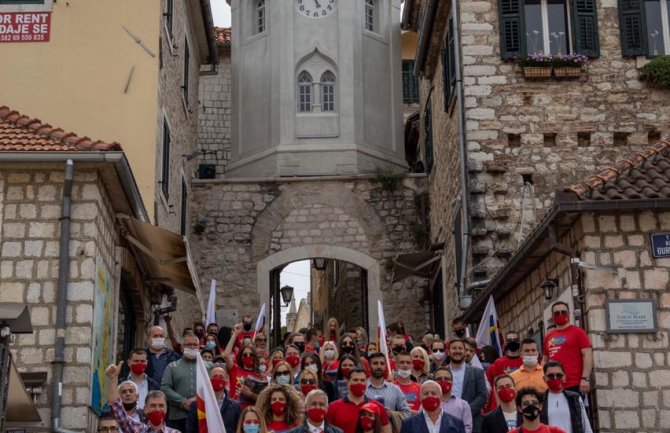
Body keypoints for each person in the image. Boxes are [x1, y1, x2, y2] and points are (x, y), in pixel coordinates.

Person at [106, 361, 180, 433]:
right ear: (145, 409)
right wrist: (113, 378)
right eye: (153, 406)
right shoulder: (137, 429)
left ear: (166, 409)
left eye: (161, 406)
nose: (157, 409)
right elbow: (116, 406)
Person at [542, 302, 593, 395]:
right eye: (557, 313)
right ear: (552, 316)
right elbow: (544, 360)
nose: (560, 315)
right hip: (553, 385)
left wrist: (585, 378)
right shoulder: (548, 337)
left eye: (563, 312)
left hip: (575, 385)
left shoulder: (578, 332)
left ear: (569, 314)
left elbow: (588, 355)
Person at [161, 332, 205, 431]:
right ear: (182, 347)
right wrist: (182, 401)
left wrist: (196, 399)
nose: (192, 347)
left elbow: (212, 388)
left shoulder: (207, 366)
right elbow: (165, 388)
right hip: (177, 416)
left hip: (201, 415)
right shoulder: (172, 366)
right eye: (189, 345)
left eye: (195, 345)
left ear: (199, 347)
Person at [326, 367, 391, 433]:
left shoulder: (378, 407)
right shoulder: (333, 407)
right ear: (348, 383)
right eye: (355, 380)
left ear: (366, 383)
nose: (359, 383)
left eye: (362, 380)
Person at [185, 365, 241, 433]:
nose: (218, 379)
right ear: (209, 379)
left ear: (227, 380)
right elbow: (190, 430)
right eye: (215, 376)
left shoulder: (235, 406)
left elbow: (238, 429)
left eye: (221, 377)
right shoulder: (196, 406)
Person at [448, 339, 487, 433]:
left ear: (464, 351)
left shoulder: (477, 372)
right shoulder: (440, 373)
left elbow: (482, 396)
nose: (457, 351)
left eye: (460, 348)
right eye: (454, 348)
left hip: (472, 423)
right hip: (446, 423)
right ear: (448, 352)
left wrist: (465, 412)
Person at [540, 362, 592, 433]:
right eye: (551, 376)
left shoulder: (575, 398)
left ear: (564, 378)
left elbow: (586, 425)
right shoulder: (539, 400)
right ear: (544, 378)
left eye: (559, 375)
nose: (555, 378)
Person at [399, 380, 466, 433]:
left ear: (441, 397)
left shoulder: (457, 423)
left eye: (433, 393)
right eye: (426, 393)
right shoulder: (408, 424)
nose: (430, 396)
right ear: (420, 398)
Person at [365, 352, 411, 416]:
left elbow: (407, 413)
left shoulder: (395, 389)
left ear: (385, 366)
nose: (379, 366)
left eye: (382, 363)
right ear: (369, 366)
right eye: (375, 363)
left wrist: (392, 414)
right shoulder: (362, 388)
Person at [434, 367, 472, 433]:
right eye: (439, 379)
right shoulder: (425, 404)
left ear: (452, 382)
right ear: (434, 383)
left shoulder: (463, 405)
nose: (443, 381)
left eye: (446, 379)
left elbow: (467, 429)